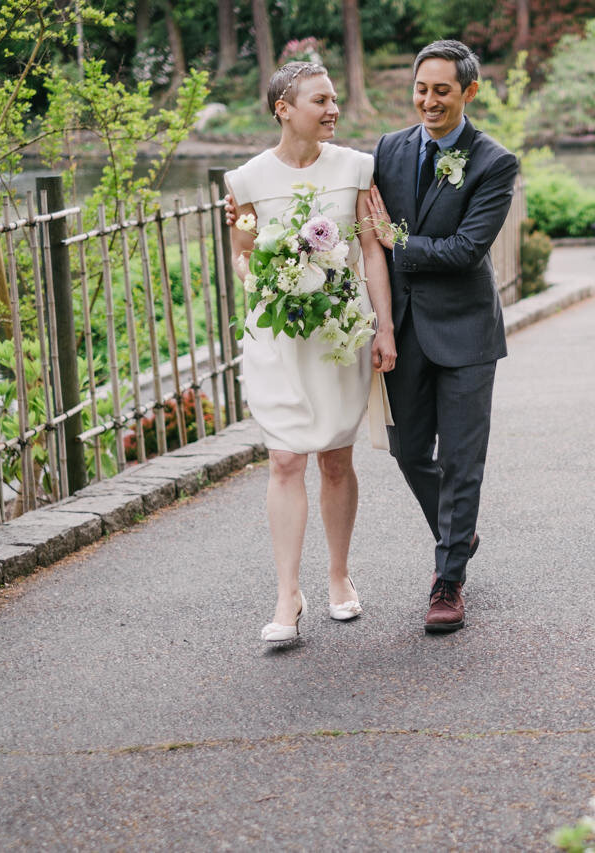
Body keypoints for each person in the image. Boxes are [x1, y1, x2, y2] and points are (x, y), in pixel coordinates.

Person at [225, 61, 397, 643]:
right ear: (284, 108)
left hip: (339, 334)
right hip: (277, 337)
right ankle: (286, 595)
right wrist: (269, 269)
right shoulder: (244, 181)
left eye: (333, 100)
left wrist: (384, 329)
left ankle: (340, 576)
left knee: (335, 459)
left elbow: (373, 253)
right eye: (320, 100)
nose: (332, 110)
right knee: (284, 458)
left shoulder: (355, 168)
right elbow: (244, 260)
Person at [364, 40, 519, 633]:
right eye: (421, 89)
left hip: (466, 333)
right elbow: (342, 194)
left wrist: (396, 242)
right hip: (402, 330)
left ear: (469, 93)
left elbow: (464, 251)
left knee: (461, 460)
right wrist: (248, 213)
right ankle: (461, 532)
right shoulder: (388, 149)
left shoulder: (493, 162)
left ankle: (448, 580)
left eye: (442, 91)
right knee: (407, 452)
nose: (428, 101)